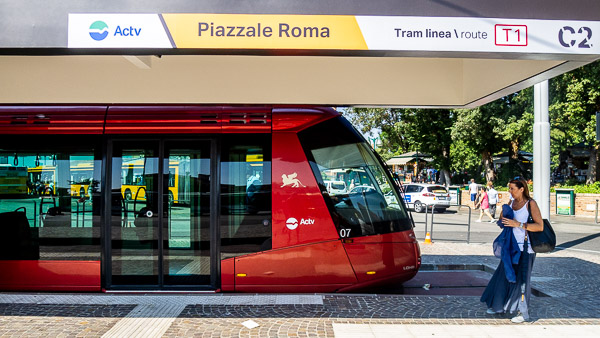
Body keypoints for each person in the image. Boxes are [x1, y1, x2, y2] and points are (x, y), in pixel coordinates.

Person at [480, 178, 544, 323]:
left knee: (522, 280)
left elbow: (539, 226)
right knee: (503, 276)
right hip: (510, 247)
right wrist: (505, 210)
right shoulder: (512, 202)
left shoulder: (530, 204)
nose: (510, 191)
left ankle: (522, 312)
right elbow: (502, 221)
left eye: (512, 189)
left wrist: (518, 224)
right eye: (509, 188)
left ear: (522, 189)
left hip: (525, 248)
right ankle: (497, 305)